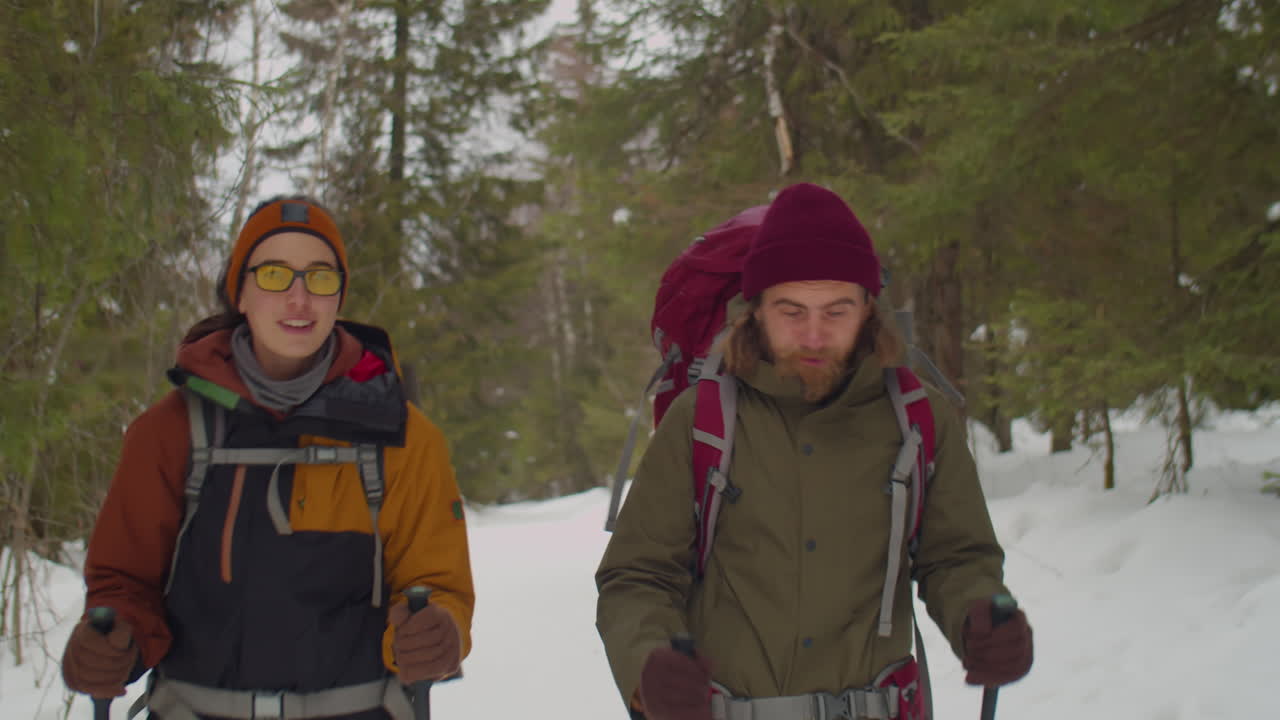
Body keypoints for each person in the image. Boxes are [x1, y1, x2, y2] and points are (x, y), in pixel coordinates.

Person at [596, 182, 1033, 720]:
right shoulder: (703, 420)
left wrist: (982, 616)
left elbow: (957, 558)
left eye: (836, 311)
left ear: (868, 307)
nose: (813, 336)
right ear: (756, 309)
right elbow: (637, 577)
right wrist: (648, 664)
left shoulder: (917, 417)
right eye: (791, 311)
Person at [60, 196, 475, 720]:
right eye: (275, 275)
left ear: (339, 295)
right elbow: (124, 582)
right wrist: (112, 639)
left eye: (320, 277)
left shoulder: (403, 437)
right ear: (241, 292)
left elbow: (438, 585)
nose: (299, 298)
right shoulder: (169, 431)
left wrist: (437, 631)